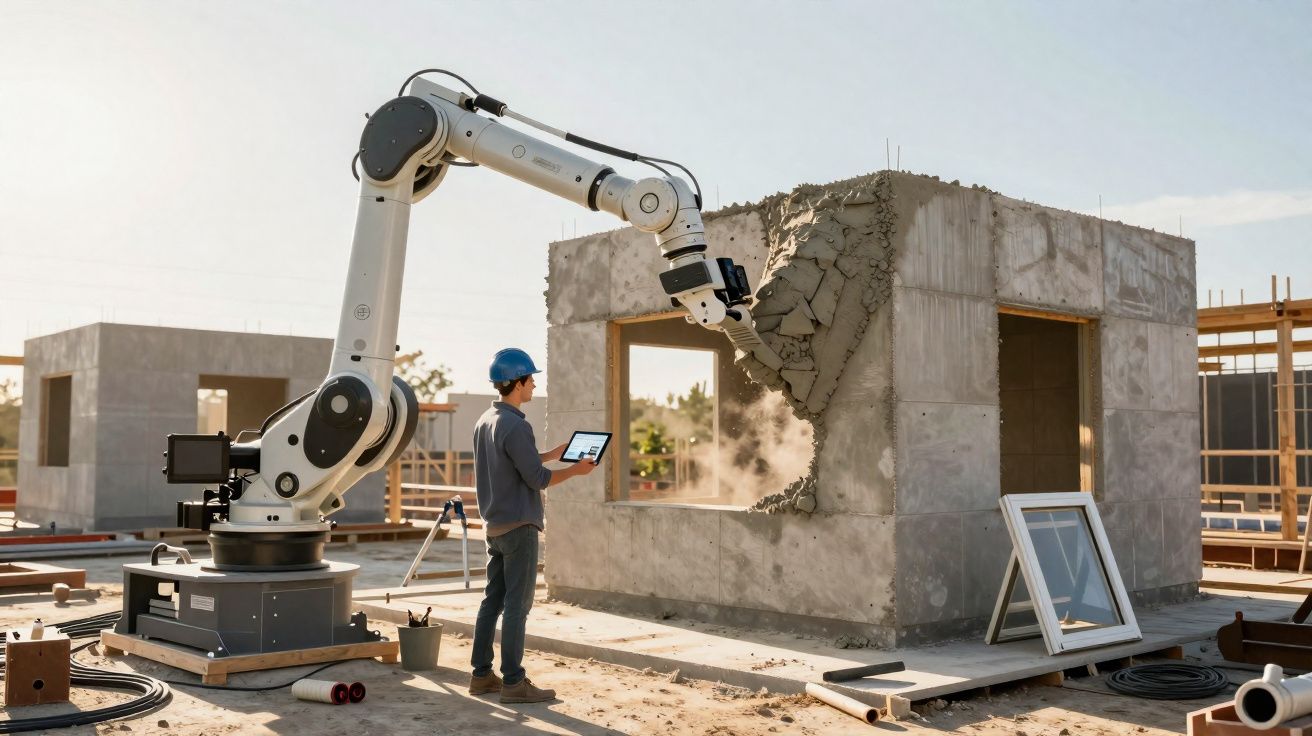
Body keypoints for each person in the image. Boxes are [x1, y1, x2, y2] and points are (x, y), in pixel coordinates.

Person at [468, 347, 596, 704]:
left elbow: (515, 464)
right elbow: (537, 479)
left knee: (491, 602)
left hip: (494, 526)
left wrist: (554, 454)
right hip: (520, 527)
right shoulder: (516, 424)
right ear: (517, 382)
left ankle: (481, 676)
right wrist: (575, 470)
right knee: (517, 606)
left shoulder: (486, 421)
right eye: (530, 379)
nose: (535, 383)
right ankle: (513, 682)